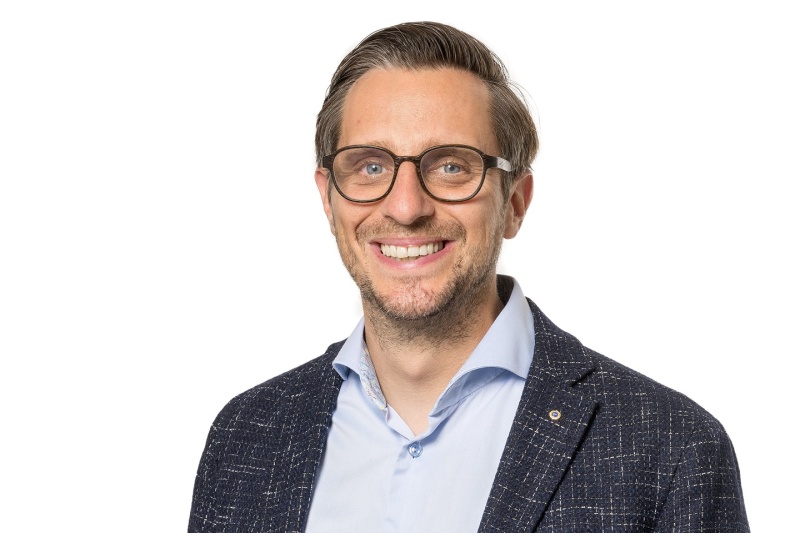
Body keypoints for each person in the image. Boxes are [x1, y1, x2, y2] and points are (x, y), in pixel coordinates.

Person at [188, 22, 749, 532]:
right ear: (329, 200)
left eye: (452, 166)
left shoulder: (671, 449)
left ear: (515, 203)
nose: (406, 207)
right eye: (371, 166)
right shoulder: (247, 437)